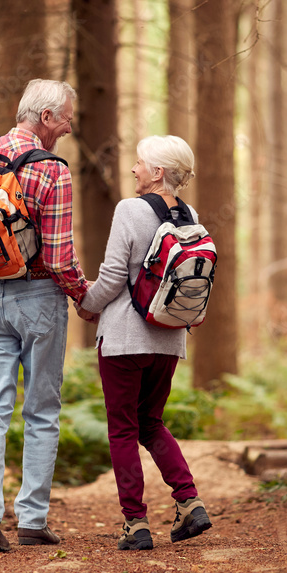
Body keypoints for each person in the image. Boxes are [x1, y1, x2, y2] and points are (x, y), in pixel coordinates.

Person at [0, 79, 94, 554]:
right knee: (42, 409)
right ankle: (31, 518)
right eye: (66, 117)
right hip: (39, 299)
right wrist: (82, 297)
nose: (69, 126)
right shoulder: (54, 171)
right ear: (46, 118)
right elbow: (59, 256)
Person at [80, 135, 212, 551]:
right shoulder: (191, 215)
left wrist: (85, 302)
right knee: (151, 422)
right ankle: (189, 501)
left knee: (123, 429)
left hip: (123, 338)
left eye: (139, 163)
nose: (133, 169)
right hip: (169, 339)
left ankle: (135, 524)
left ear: (157, 172)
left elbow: (114, 275)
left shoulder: (129, 209)